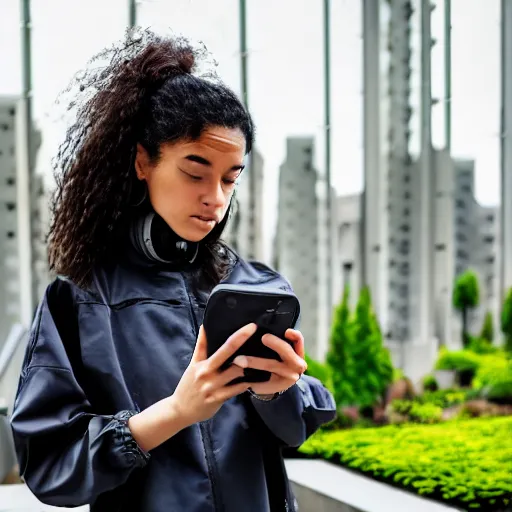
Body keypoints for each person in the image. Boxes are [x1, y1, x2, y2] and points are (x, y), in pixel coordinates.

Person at [10, 30, 336, 512]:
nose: (216, 197)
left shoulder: (256, 285)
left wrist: (281, 391)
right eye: (194, 171)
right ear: (144, 161)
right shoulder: (80, 297)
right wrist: (175, 413)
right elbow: (50, 467)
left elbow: (294, 431)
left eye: (230, 178)